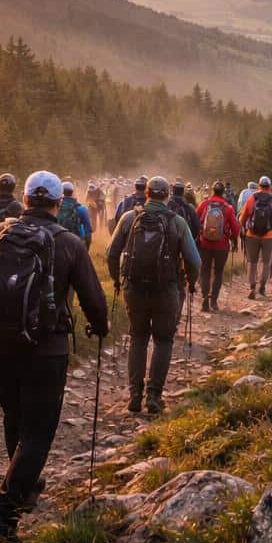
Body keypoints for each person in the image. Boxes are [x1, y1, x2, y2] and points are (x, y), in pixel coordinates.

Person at [0, 171, 109, 541]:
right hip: (47, 350)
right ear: (58, 204)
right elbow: (93, 300)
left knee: (15, 416)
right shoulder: (70, 243)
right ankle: (4, 513)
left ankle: (24, 486)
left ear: (25, 200)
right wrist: (100, 326)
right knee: (39, 432)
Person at [106, 176, 200, 415]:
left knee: (138, 337)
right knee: (163, 340)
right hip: (167, 289)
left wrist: (118, 280)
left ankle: (134, 395)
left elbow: (111, 253)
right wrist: (190, 282)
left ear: (146, 194)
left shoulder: (130, 218)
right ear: (167, 195)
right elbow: (194, 260)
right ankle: (154, 397)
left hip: (134, 289)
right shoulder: (177, 222)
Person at [195, 181, 240, 312]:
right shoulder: (228, 207)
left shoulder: (204, 204)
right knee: (218, 272)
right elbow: (235, 229)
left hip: (205, 243)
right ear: (223, 193)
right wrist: (234, 239)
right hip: (222, 245)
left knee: (205, 270)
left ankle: (204, 297)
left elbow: (196, 220)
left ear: (212, 191)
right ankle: (214, 300)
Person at [238, 176, 272, 299]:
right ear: (269, 187)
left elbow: (242, 218)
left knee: (252, 263)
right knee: (266, 263)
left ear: (259, 186)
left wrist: (243, 228)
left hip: (251, 235)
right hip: (268, 236)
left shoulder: (251, 199)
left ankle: (252, 287)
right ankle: (262, 288)